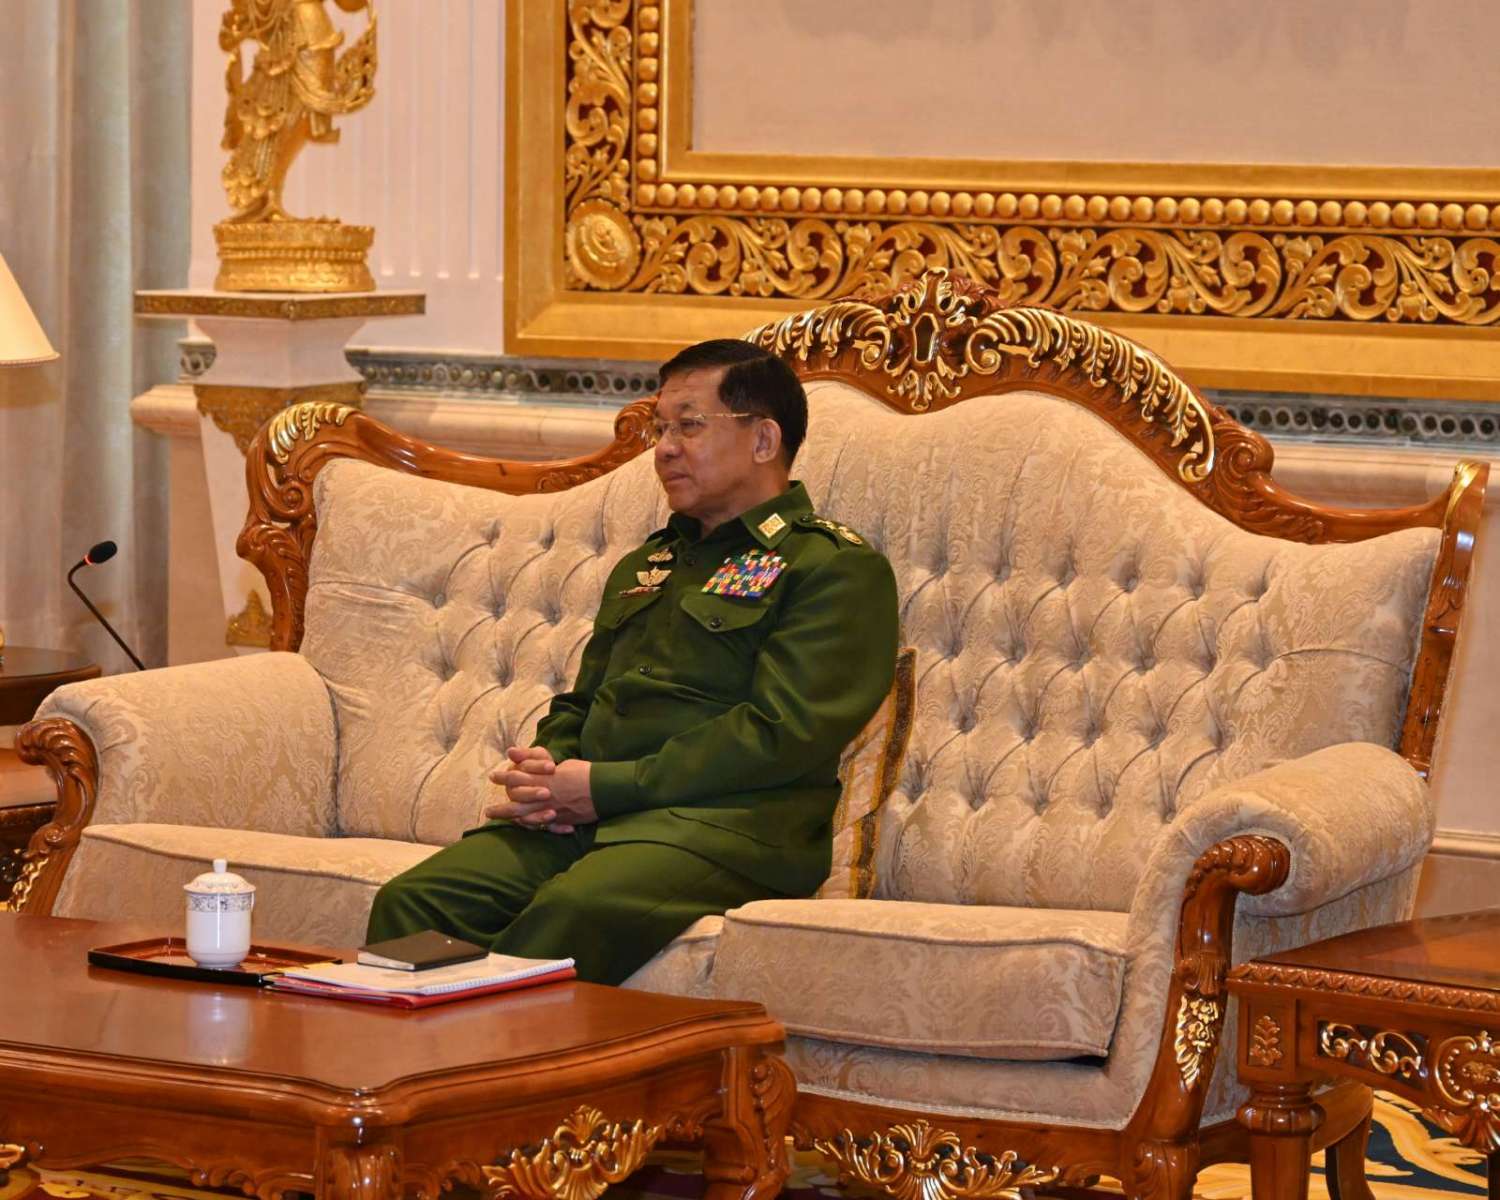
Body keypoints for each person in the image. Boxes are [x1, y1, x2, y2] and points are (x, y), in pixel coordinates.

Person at [365, 339, 900, 984]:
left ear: (764, 440)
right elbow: (586, 699)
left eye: (689, 426)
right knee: (415, 902)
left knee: (571, 912)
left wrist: (606, 787)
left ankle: (498, 1050)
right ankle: (421, 1050)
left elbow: (780, 734)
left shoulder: (832, 568)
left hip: (730, 830)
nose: (664, 449)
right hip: (597, 815)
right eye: (660, 429)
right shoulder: (651, 563)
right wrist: (549, 772)